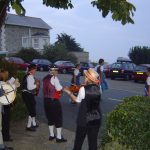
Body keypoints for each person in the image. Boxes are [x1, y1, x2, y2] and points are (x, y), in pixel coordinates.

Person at [64, 68, 101, 150]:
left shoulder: (83, 89)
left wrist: (69, 92)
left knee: (78, 141)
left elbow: (77, 101)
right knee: (93, 143)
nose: (84, 77)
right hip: (96, 118)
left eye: (85, 76)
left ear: (87, 78)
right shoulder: (99, 88)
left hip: (84, 119)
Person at [43, 64, 67, 143]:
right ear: (52, 70)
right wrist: (64, 89)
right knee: (58, 118)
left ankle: (51, 135)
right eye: (56, 70)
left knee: (50, 118)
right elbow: (59, 88)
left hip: (46, 101)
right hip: (54, 101)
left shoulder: (45, 78)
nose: (57, 72)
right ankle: (59, 137)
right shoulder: (54, 78)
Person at [0, 70, 20, 150]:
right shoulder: (3, 84)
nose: (7, 75)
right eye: (6, 74)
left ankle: (1, 145)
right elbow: (12, 91)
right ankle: (1, 146)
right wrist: (15, 84)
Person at [22, 64, 39, 131]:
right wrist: (36, 85)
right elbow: (29, 87)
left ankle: (33, 124)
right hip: (27, 94)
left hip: (26, 94)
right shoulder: (30, 76)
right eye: (35, 69)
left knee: (32, 108)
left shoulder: (27, 75)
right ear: (32, 70)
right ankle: (28, 126)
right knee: (31, 110)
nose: (36, 70)